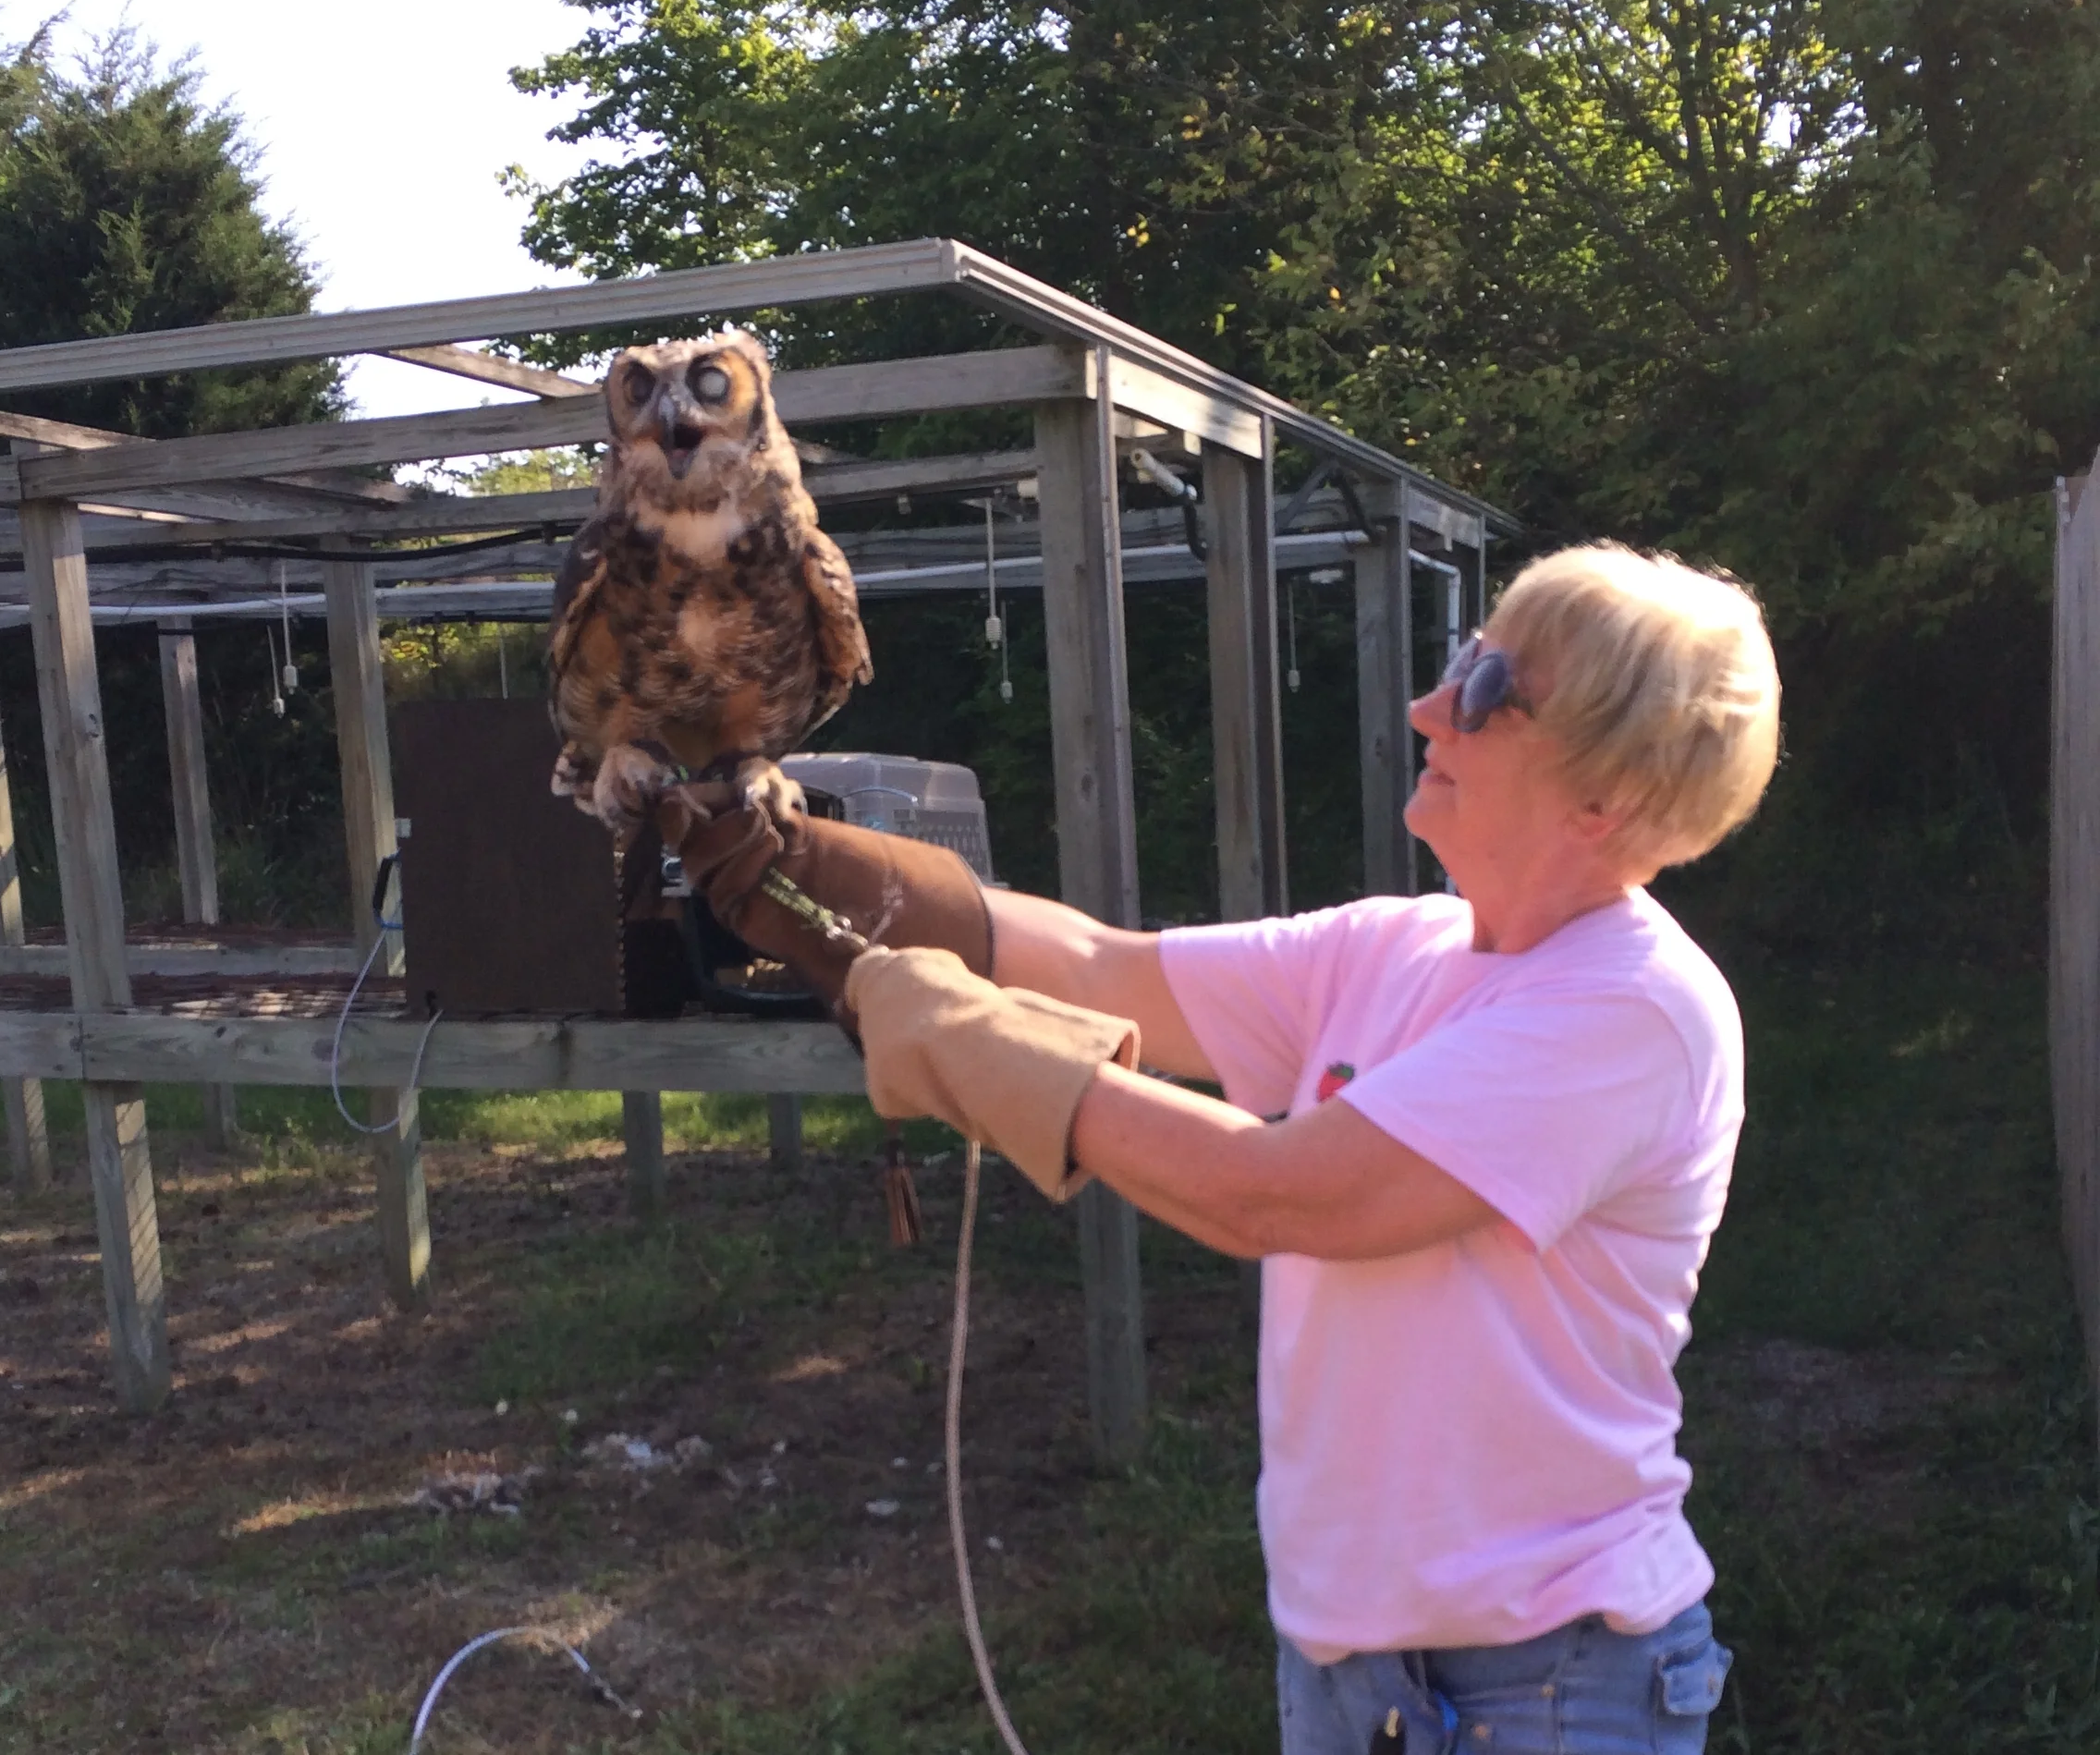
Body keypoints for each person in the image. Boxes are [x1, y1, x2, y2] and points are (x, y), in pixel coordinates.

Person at [664, 541, 1779, 1754]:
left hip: (1547, 1677)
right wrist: (814, 862)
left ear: (1602, 795)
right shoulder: (1396, 944)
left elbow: (1281, 1193)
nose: (1425, 704)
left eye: (1484, 685)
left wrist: (999, 1056)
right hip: (1352, 1662)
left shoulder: (1632, 1008)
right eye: (1463, 658)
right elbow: (1107, 964)